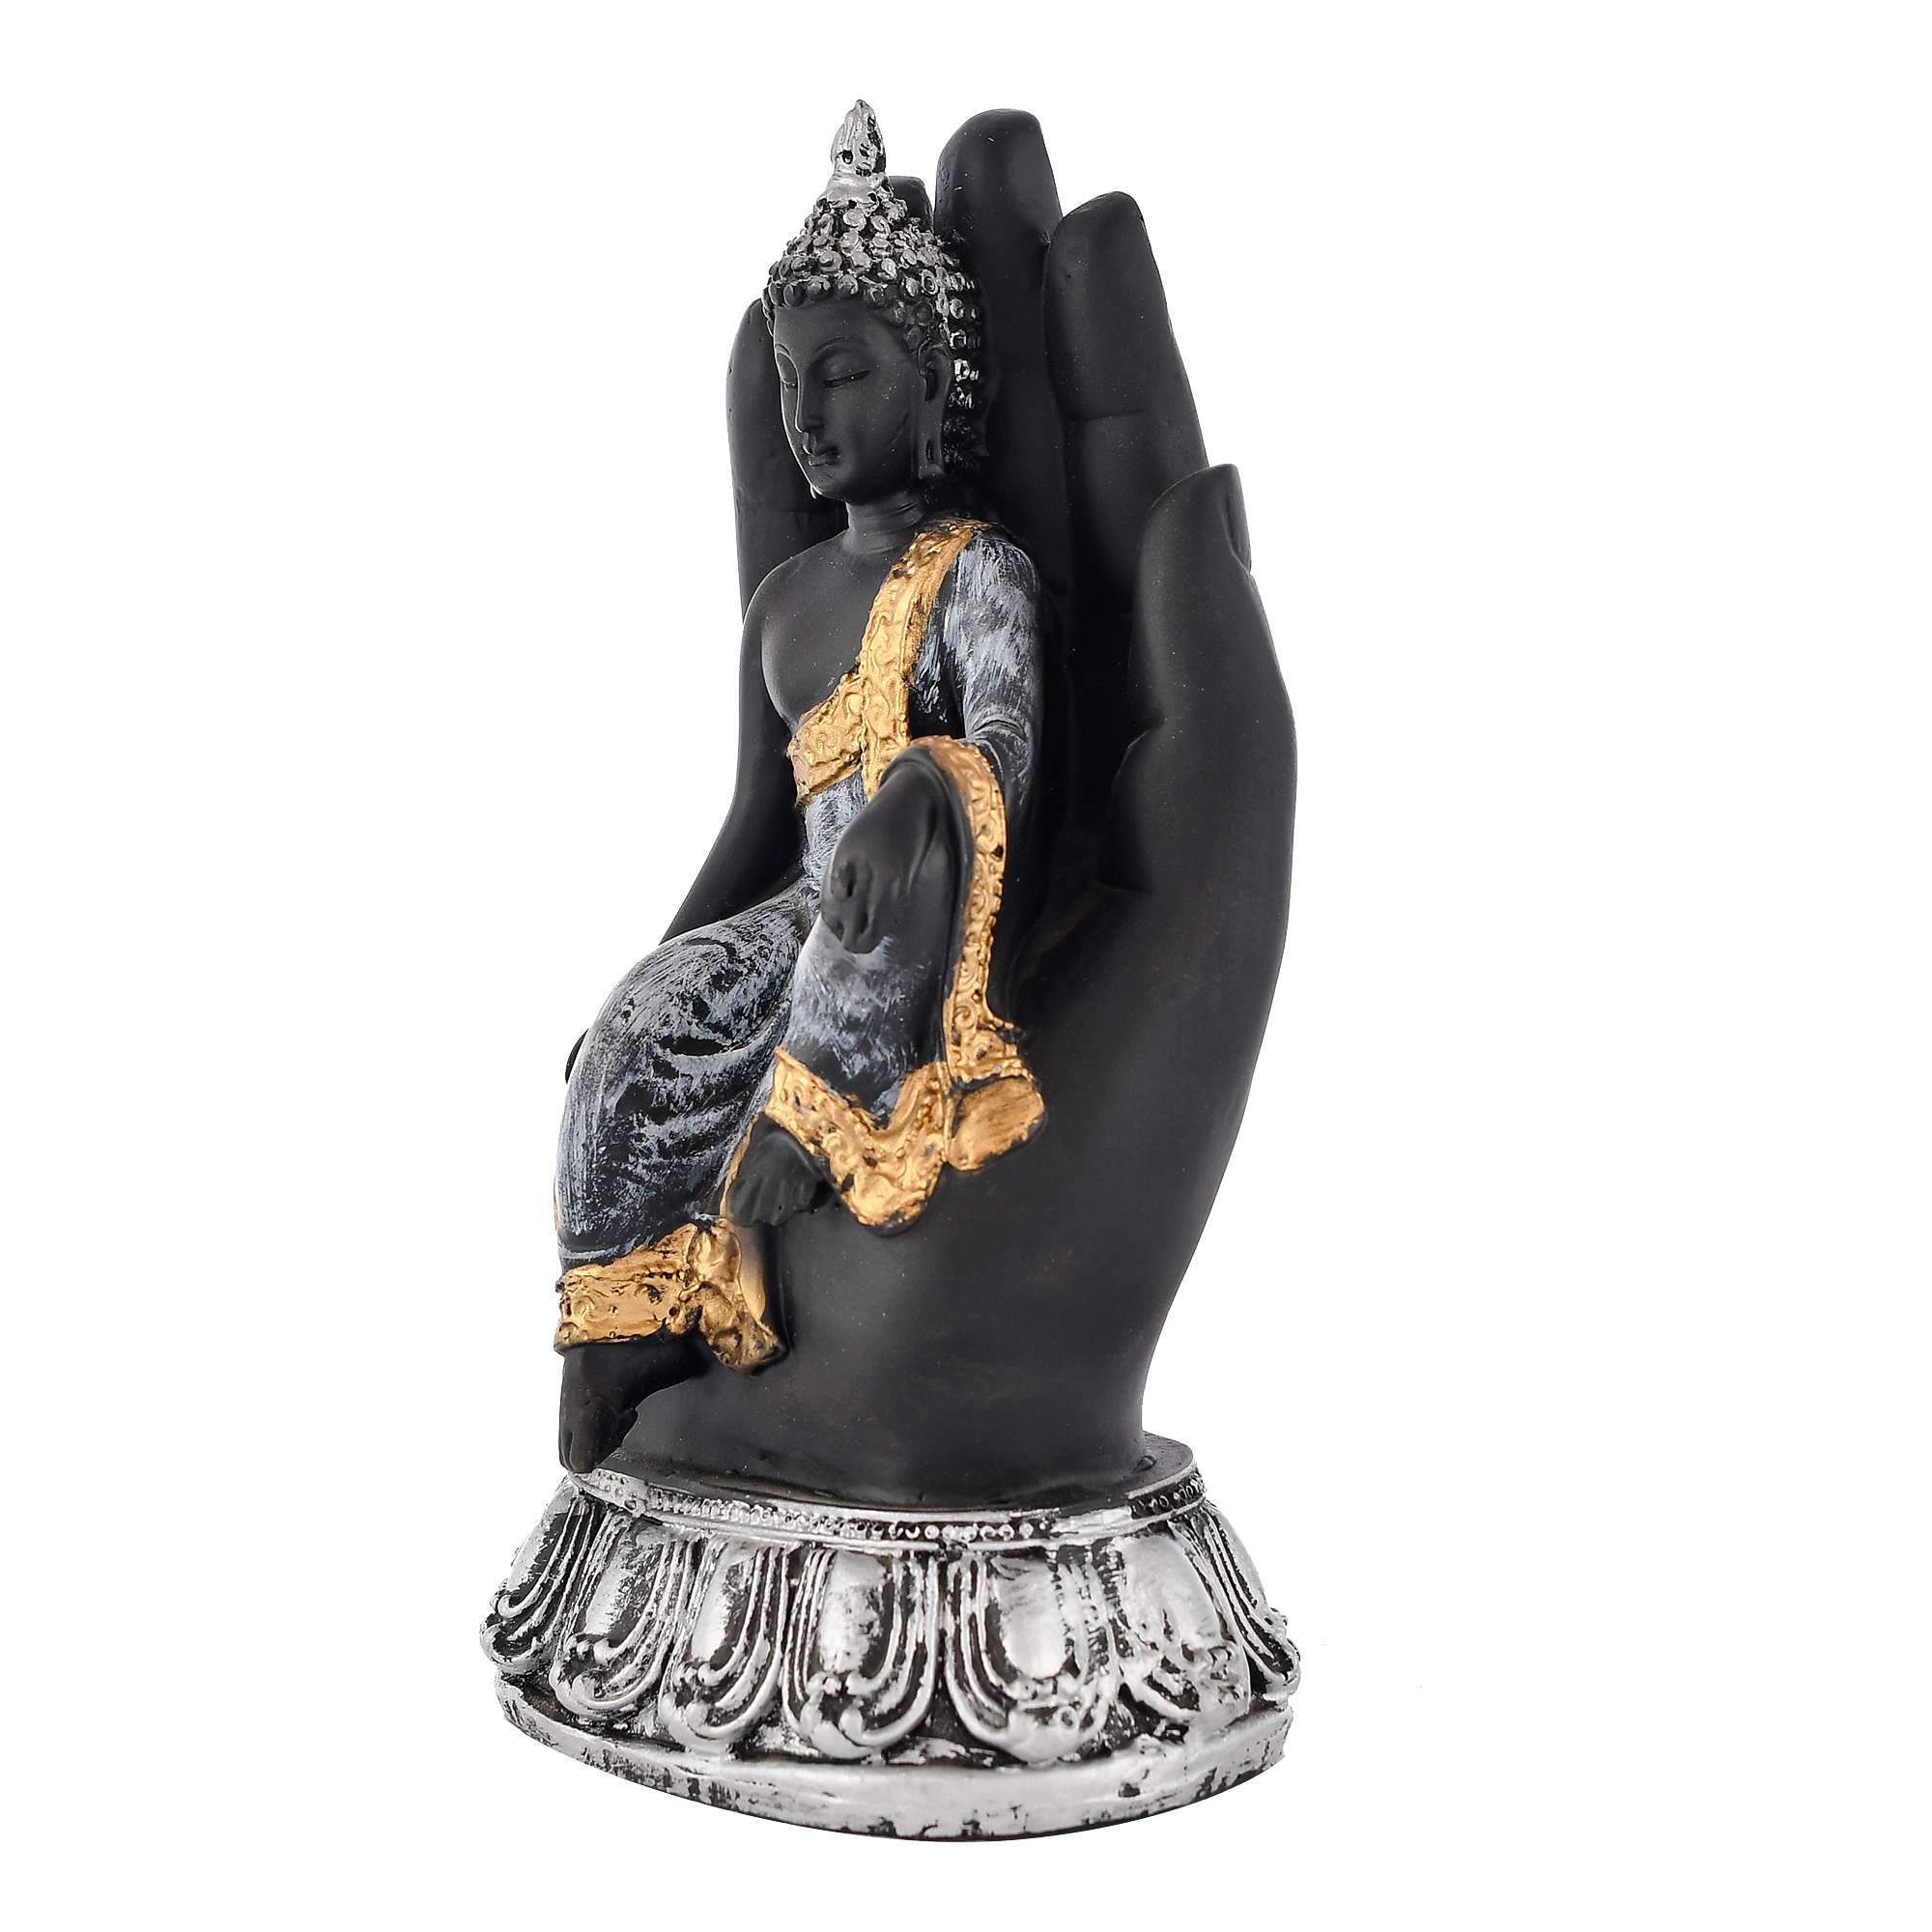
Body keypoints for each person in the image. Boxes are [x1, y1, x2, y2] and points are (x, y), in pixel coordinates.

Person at [553, 103, 1045, 1473]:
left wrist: (919, 792)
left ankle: (808, 1122)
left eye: (842, 375)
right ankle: (628, 1339)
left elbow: (1005, 746)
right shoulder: (784, 601)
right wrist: (643, 984)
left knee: (883, 888)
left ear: (931, 386)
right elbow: (751, 826)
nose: (805, 417)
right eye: (788, 381)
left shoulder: (979, 571)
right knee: (634, 1037)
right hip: (806, 910)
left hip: (913, 923)